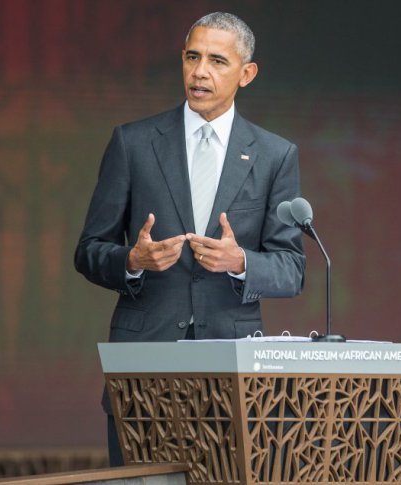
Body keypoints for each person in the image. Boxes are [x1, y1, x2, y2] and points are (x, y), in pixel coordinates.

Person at [74, 12, 305, 466]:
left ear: (247, 73)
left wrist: (241, 261)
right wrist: (133, 260)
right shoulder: (133, 143)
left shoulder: (275, 155)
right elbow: (89, 251)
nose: (200, 72)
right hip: (144, 364)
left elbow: (291, 268)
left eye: (218, 61)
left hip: (234, 371)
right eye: (192, 57)